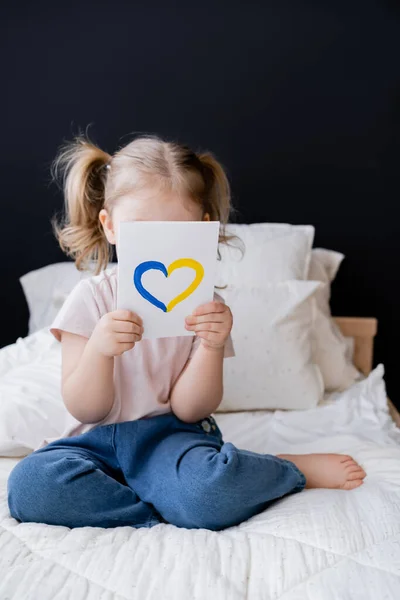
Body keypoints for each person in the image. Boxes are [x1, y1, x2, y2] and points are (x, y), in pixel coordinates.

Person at [7, 133, 366, 531]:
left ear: (203, 229)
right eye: (143, 230)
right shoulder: (90, 299)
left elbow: (190, 409)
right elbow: (84, 409)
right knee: (29, 487)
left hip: (172, 438)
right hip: (95, 442)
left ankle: (280, 469)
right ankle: (160, 504)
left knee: (209, 493)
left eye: (176, 231)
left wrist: (211, 346)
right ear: (109, 227)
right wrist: (99, 351)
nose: (160, 247)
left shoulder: (201, 304)